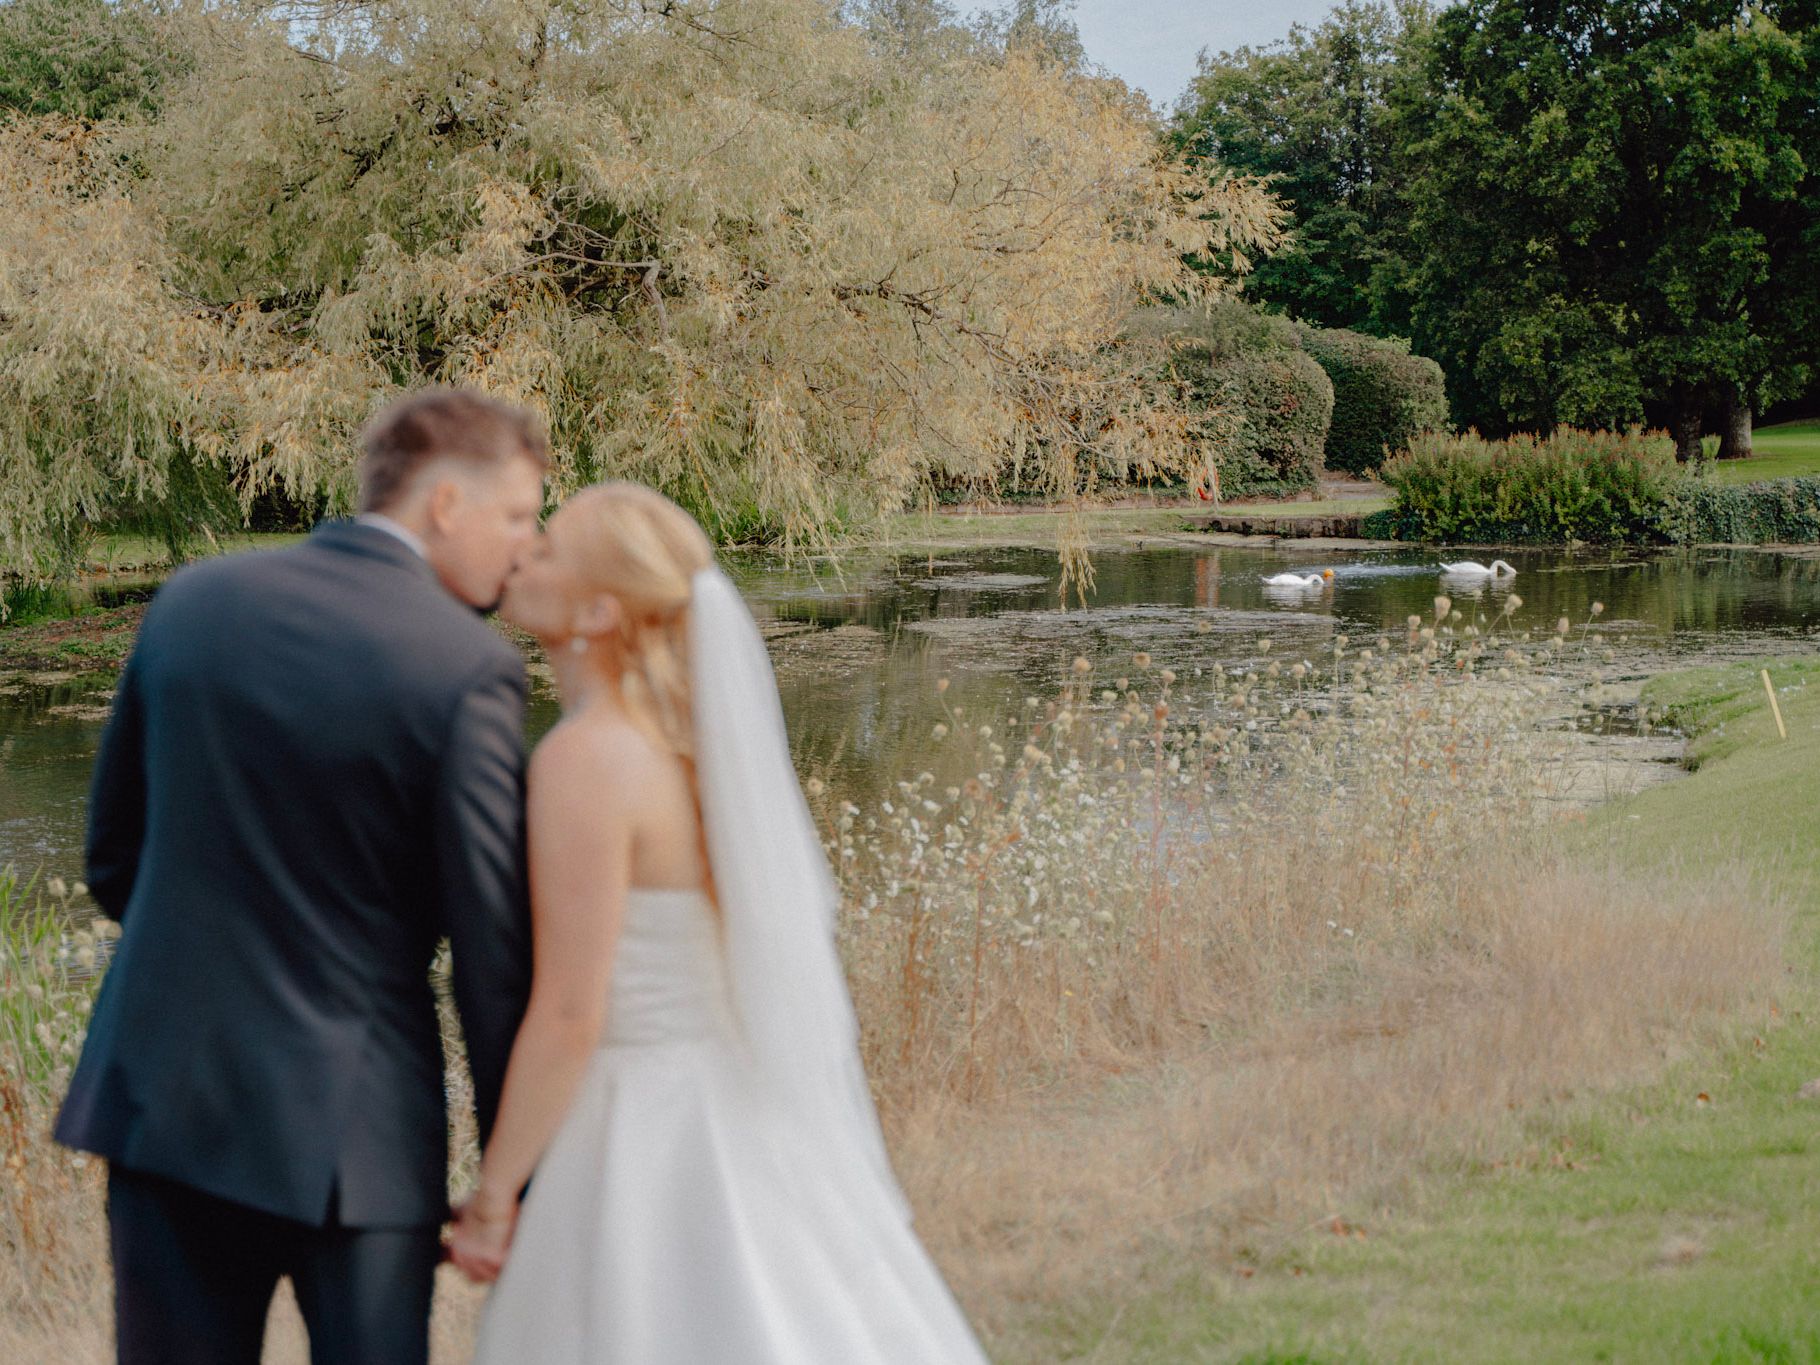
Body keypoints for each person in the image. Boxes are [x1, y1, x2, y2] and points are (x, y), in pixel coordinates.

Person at [57, 388, 548, 1365]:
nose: (525, 547)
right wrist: (512, 1183)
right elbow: (494, 962)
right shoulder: (464, 667)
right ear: (445, 503)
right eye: (518, 516)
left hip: (168, 1106)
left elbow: (115, 857)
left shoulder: (196, 600)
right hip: (356, 1140)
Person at [450, 482, 989, 1363]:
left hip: (638, 1125)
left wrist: (495, 1194)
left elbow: (572, 1013)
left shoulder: (587, 758)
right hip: (735, 1101)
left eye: (545, 547)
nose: (521, 554)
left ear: (595, 608)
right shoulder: (689, 751)